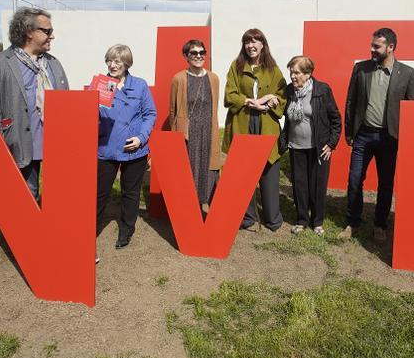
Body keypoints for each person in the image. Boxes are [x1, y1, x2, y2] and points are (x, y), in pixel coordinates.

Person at [0, 7, 69, 201]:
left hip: (55, 144)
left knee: (59, 198)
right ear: (29, 32)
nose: (52, 36)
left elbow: (66, 102)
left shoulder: (54, 64)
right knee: (27, 197)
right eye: (47, 31)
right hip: (20, 144)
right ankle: (26, 230)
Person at [340, 27, 414, 245]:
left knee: (385, 184)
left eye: (377, 46)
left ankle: (380, 225)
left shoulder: (407, 73)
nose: (371, 49)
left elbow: (411, 110)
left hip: (389, 139)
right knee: (354, 180)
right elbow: (350, 102)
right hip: (363, 135)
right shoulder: (361, 69)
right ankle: (353, 222)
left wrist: (407, 139)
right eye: (372, 45)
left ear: (390, 47)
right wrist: (349, 132)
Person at [223, 28, 287, 232]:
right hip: (243, 123)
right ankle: (248, 216)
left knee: (269, 171)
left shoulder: (273, 69)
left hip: (266, 125)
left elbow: (282, 97)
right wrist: (250, 102)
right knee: (243, 173)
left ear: (262, 44)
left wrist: (266, 105)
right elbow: (229, 95)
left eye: (255, 41)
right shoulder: (236, 66)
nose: (251, 45)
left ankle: (273, 218)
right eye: (247, 42)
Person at [96, 44, 156, 250]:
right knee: (100, 192)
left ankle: (126, 229)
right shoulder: (100, 85)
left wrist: (141, 137)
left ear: (126, 63)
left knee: (130, 192)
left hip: (134, 148)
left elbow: (150, 113)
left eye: (117, 62)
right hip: (106, 147)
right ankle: (90, 228)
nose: (113, 65)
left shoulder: (139, 85)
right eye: (109, 61)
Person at [279, 56, 341, 236]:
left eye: (296, 72)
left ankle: (318, 222)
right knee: (299, 185)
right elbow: (282, 111)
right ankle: (301, 220)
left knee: (317, 185)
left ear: (308, 74)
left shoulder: (322, 90)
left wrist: (331, 144)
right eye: (291, 72)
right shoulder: (289, 90)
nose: (292, 76)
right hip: (296, 146)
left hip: (318, 147)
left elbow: (336, 120)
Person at [168, 39, 221, 209]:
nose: (198, 56)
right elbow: (173, 110)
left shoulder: (213, 78)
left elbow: (214, 107)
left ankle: (207, 205)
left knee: (209, 169)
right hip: (189, 132)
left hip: (208, 130)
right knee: (189, 171)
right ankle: (190, 209)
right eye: (194, 53)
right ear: (186, 56)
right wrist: (178, 132)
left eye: (201, 52)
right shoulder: (179, 78)